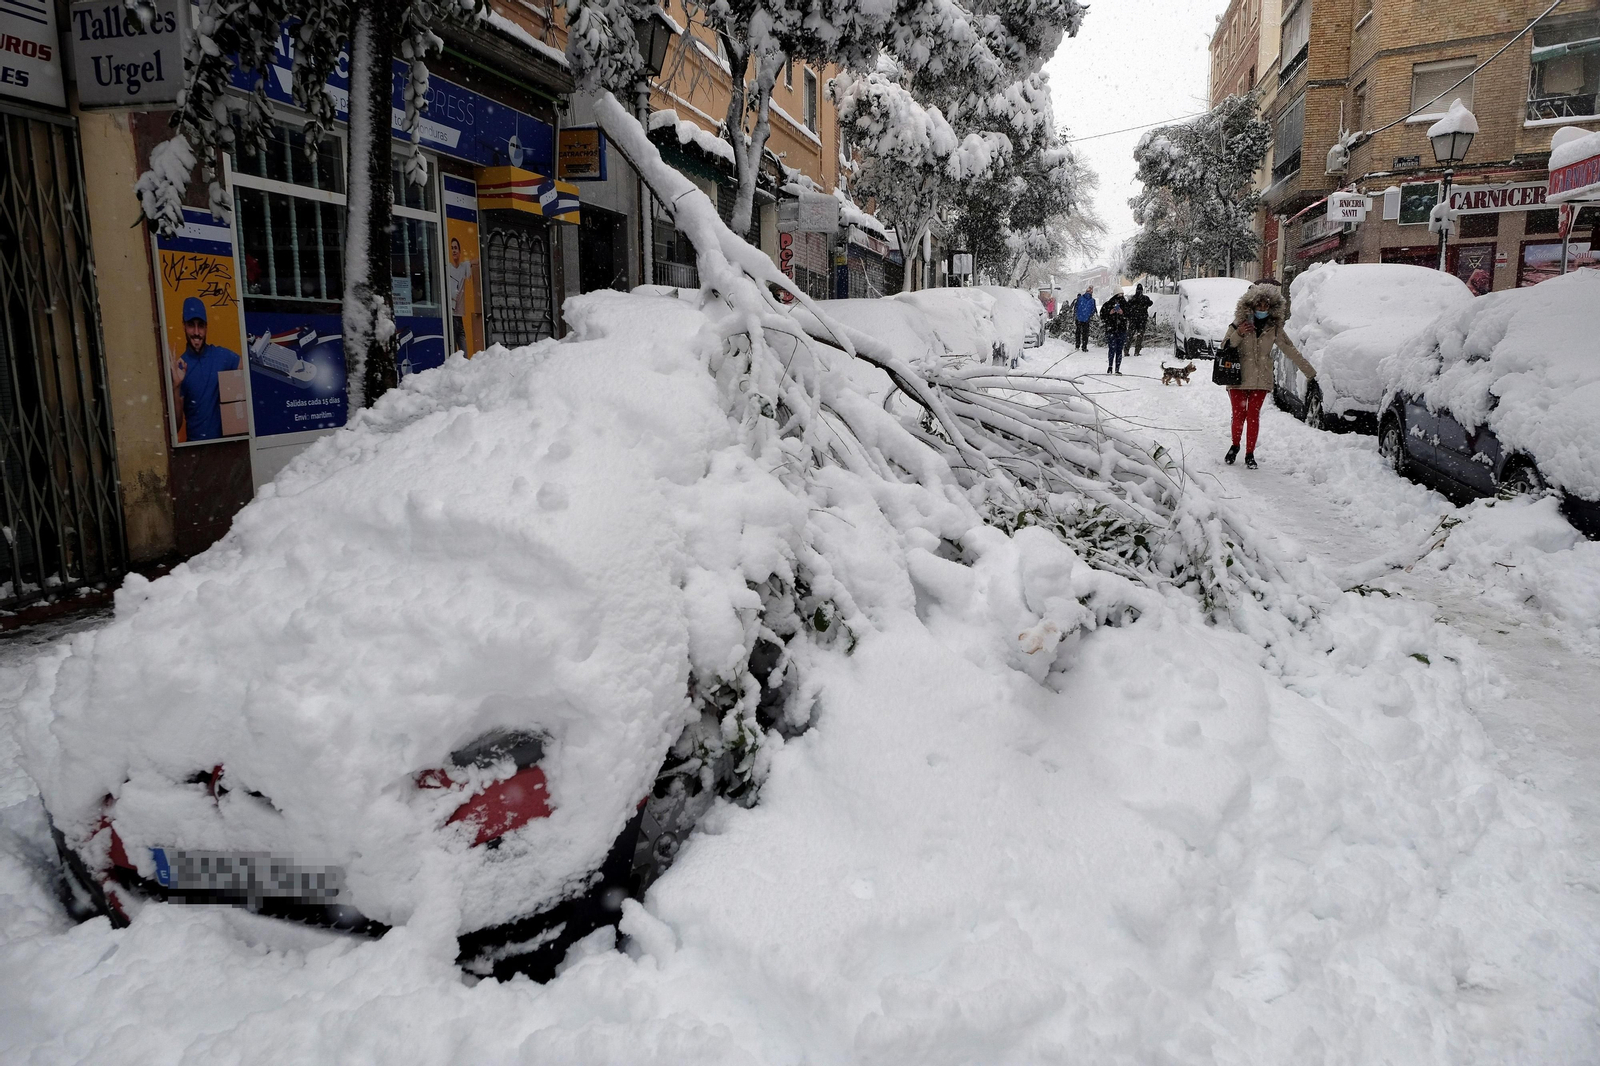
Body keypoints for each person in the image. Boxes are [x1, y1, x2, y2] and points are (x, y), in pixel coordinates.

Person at [1220, 282, 1315, 469]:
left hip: (1261, 379)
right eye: (1259, 305)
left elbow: (1290, 350)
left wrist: (1310, 372)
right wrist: (1238, 333)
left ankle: (1250, 454)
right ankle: (1235, 446)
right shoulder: (1238, 324)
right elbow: (1224, 347)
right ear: (1251, 305)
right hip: (1238, 377)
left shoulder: (1274, 328)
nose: (1262, 309)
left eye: (1266, 305)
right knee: (1239, 414)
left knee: (1253, 415)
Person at [171, 296, 241, 442]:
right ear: (184, 326)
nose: (196, 332)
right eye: (191, 325)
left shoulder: (222, 356)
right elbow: (176, 426)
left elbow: (248, 370)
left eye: (201, 325)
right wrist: (176, 387)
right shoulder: (180, 368)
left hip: (225, 446)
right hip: (196, 449)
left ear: (206, 327)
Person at [447, 237, 477, 354]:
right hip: (451, 314)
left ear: (459, 251)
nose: (454, 250)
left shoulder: (463, 267)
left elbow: (476, 261)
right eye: (451, 248)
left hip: (458, 316)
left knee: (463, 351)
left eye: (455, 248)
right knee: (456, 351)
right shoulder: (447, 269)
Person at [1100, 291, 1129, 374]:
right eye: (1119, 294)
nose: (1121, 296)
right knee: (1112, 349)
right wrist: (1110, 313)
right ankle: (1110, 366)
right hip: (1112, 329)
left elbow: (1130, 315)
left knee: (1119, 349)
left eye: (1122, 294)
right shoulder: (1108, 304)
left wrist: (1122, 313)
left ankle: (1117, 368)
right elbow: (1102, 315)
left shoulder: (1125, 305)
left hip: (1121, 329)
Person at [1126, 283, 1153, 356]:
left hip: (1133, 320)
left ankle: (1126, 350)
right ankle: (1137, 351)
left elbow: (1127, 308)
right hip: (1142, 320)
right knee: (1139, 336)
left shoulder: (1132, 299)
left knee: (1130, 335)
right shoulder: (1145, 298)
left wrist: (1129, 316)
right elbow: (1150, 303)